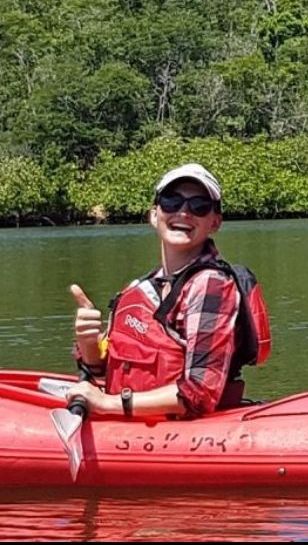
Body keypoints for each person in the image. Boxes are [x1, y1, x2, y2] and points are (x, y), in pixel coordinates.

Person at [67, 163, 270, 419]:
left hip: (185, 431)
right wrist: (88, 344)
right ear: (154, 215)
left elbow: (199, 393)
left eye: (199, 206)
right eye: (171, 202)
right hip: (132, 421)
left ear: (215, 222)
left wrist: (107, 404)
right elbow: (102, 375)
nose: (184, 212)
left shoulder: (210, 285)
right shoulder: (139, 288)